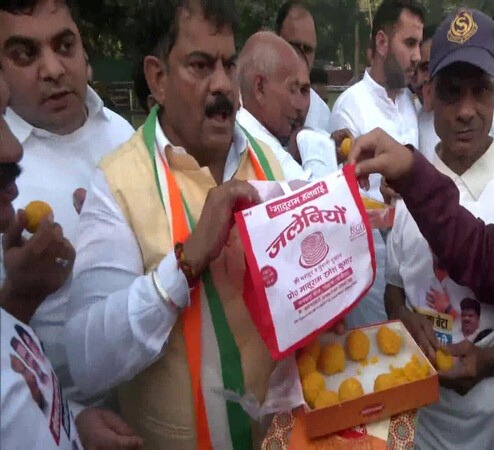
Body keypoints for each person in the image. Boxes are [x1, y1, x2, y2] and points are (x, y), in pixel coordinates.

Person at [65, 2, 304, 449]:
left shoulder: (269, 161)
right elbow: (87, 359)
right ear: (157, 78)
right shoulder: (118, 183)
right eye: (200, 65)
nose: (221, 85)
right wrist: (186, 263)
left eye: (228, 64)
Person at [356, 9, 494, 448]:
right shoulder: (407, 186)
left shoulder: (412, 177)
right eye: (452, 93)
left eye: (481, 91)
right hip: (420, 426)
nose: (466, 111)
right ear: (430, 94)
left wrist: (487, 361)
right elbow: (394, 287)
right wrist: (403, 319)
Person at [0, 0, 135, 407]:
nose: (53, 70)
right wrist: (72, 417)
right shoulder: (4, 177)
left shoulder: (122, 132)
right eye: (25, 54)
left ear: (84, 53)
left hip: (151, 399)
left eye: (64, 46)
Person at [331, 0, 424, 329]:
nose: (417, 56)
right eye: (409, 43)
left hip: (414, 267)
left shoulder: (411, 104)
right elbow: (344, 204)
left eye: (418, 44)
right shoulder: (350, 107)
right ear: (382, 42)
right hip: (372, 269)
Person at [237, 31, 337, 180]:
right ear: (260, 88)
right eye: (292, 89)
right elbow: (326, 197)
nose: (300, 104)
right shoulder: (264, 151)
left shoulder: (240, 133)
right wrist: (314, 144)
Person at [276, 0, 333, 132]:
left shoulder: (323, 115)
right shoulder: (254, 101)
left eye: (307, 49)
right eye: (293, 46)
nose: (300, 56)